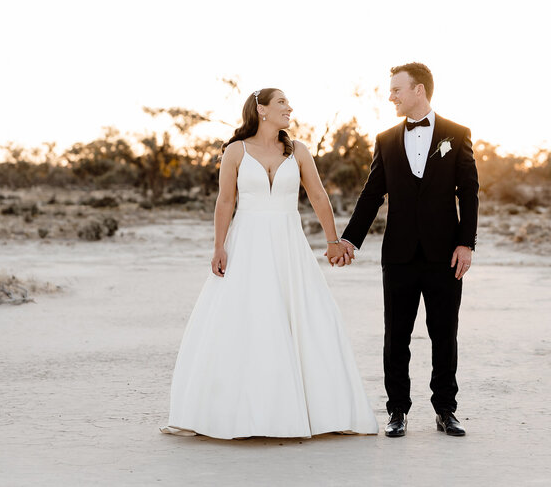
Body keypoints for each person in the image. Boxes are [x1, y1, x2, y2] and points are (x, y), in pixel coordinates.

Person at [162, 88, 378, 439]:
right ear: (261, 109)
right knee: (247, 318)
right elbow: (225, 201)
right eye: (281, 103)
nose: (289, 108)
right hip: (246, 243)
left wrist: (333, 240)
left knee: (303, 316)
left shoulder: (299, 151)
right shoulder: (235, 150)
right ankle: (236, 412)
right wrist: (218, 246)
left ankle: (318, 411)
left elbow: (318, 195)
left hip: (288, 243)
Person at [336, 62, 479, 438]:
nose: (391, 96)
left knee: (444, 334)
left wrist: (466, 243)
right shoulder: (384, 139)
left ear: (419, 90)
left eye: (396, 89)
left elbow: (469, 193)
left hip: (445, 254)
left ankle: (446, 410)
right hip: (398, 254)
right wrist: (349, 239)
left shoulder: (457, 134)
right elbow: (372, 194)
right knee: (395, 336)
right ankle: (396, 410)